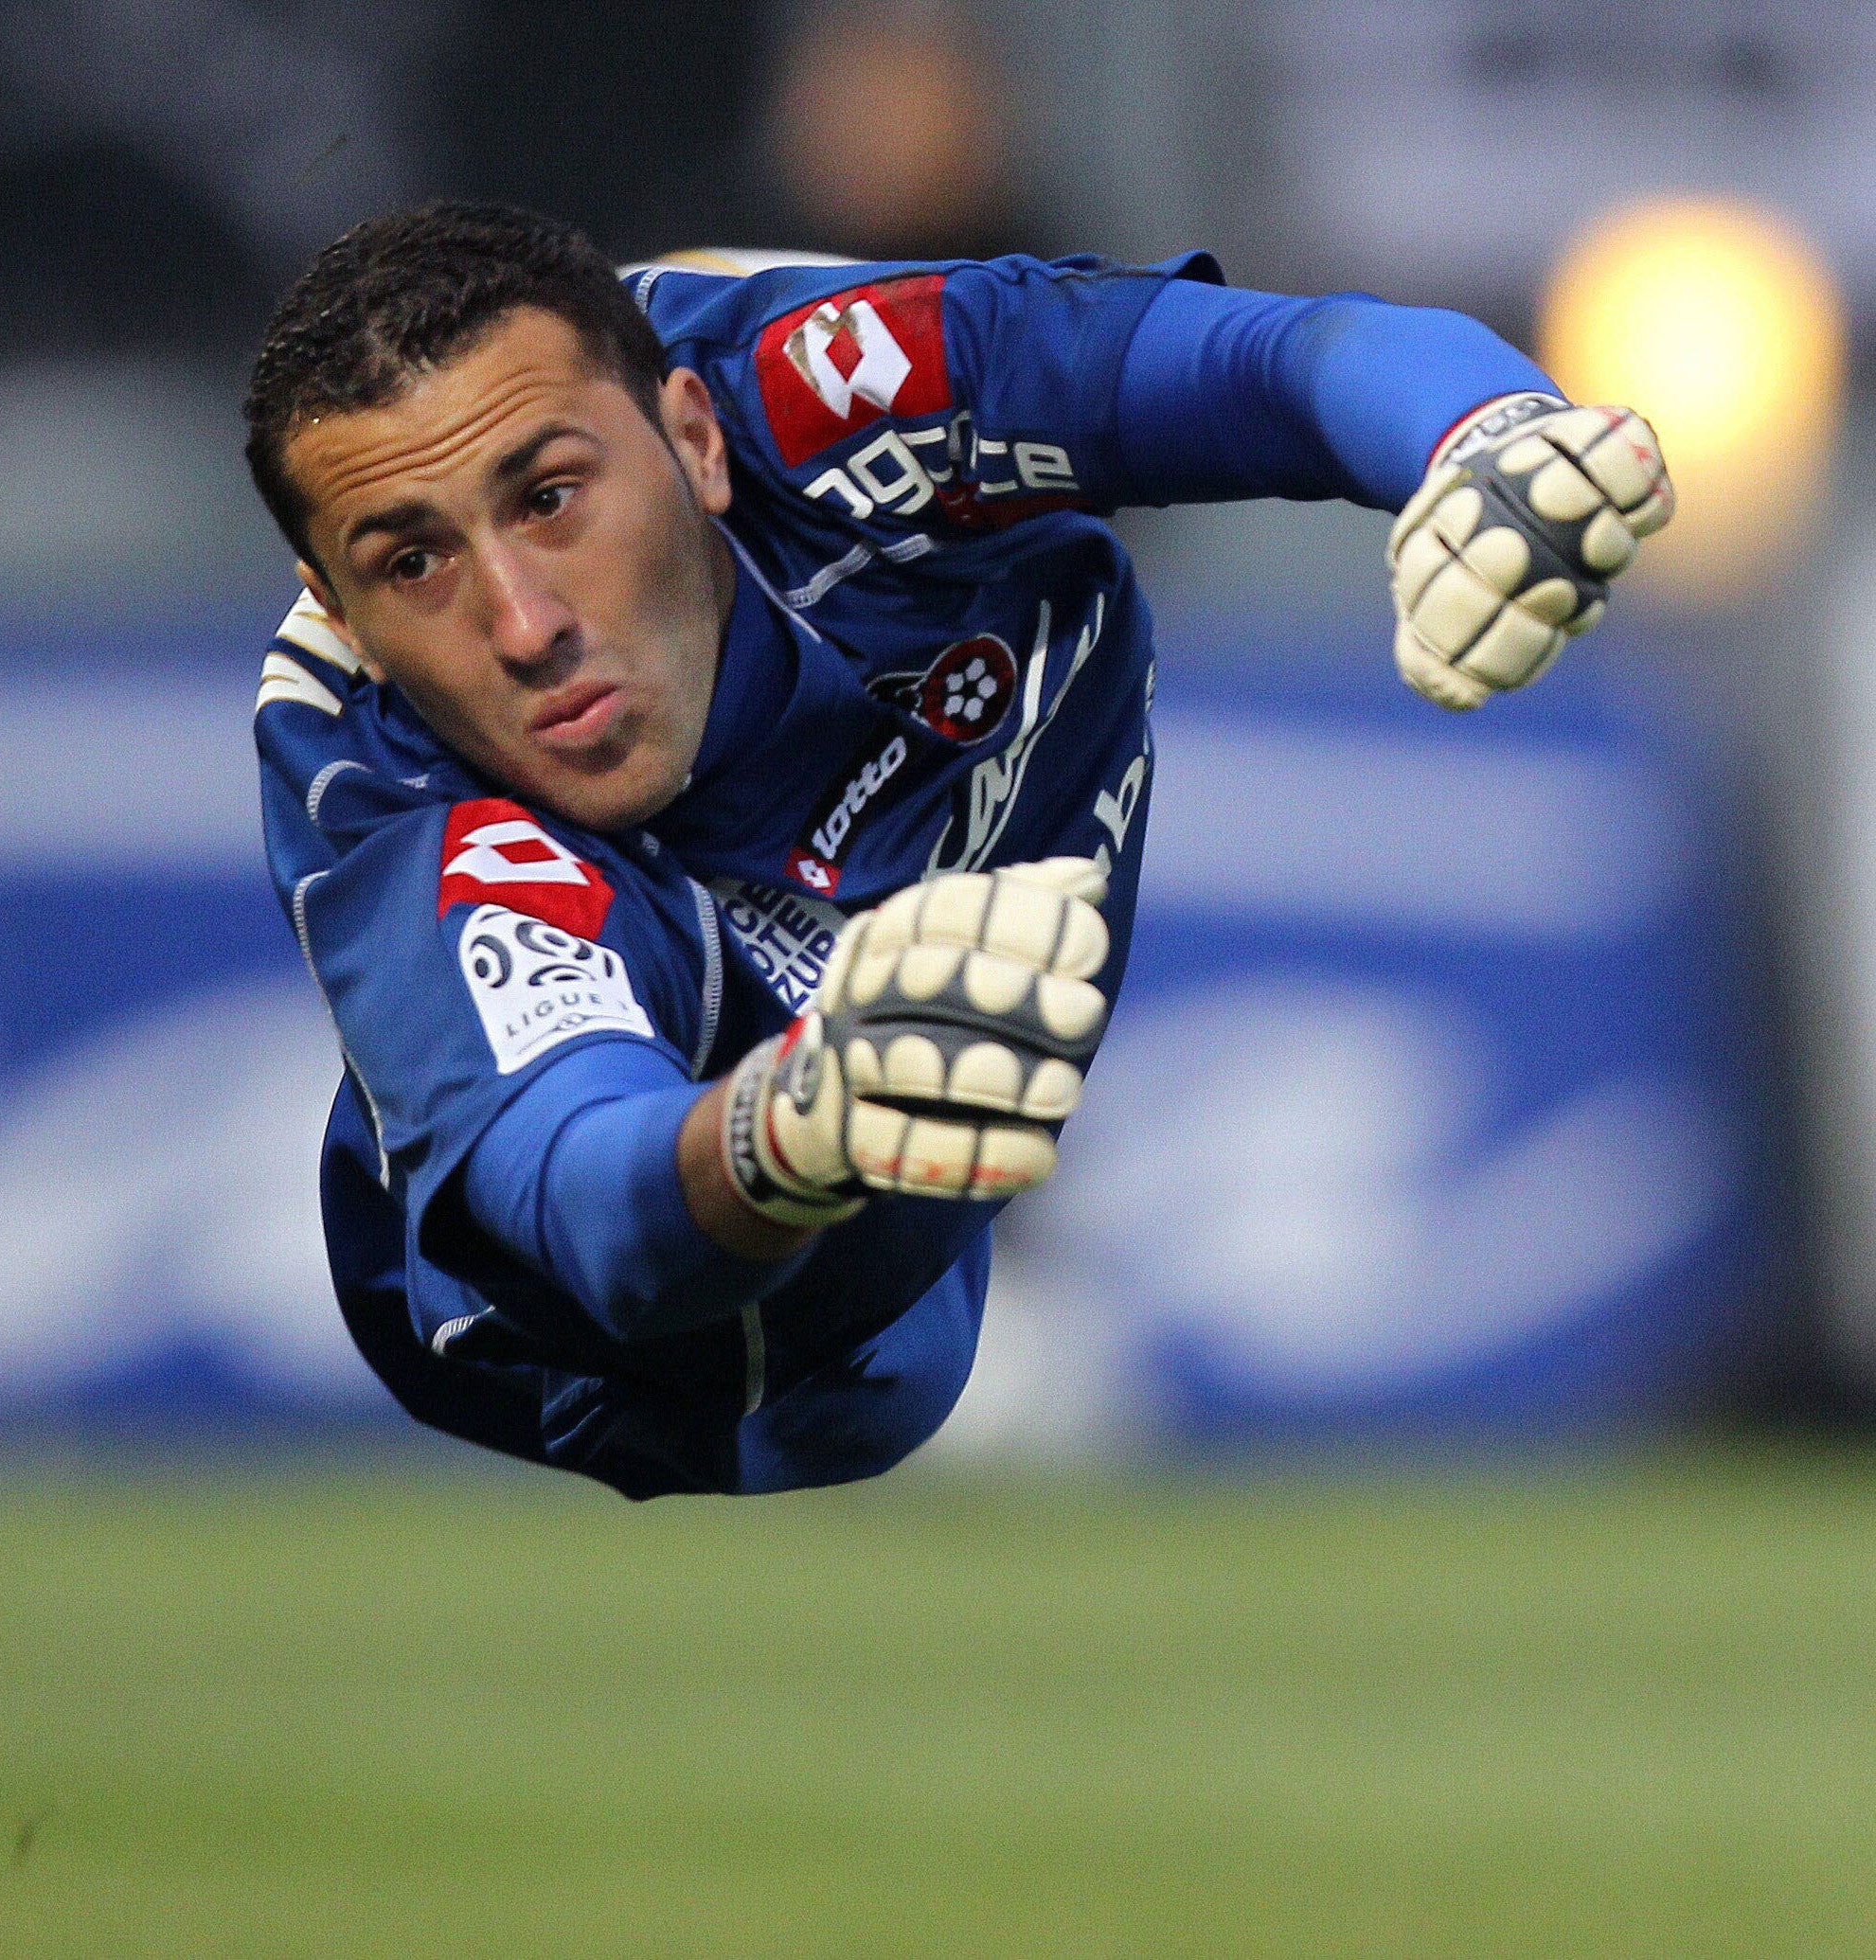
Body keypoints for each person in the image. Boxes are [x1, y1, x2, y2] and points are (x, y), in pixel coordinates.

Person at [244, 203, 1671, 1497]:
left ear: (691, 436)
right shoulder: (386, 778)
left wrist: (1488, 439)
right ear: (340, 607)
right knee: (795, 1299)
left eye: (551, 497)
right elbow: (583, 1197)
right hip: (622, 1354)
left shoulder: (827, 390)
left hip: (960, 892)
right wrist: (792, 1120)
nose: (523, 620)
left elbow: (1287, 362)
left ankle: (963, 1185)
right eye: (412, 562)